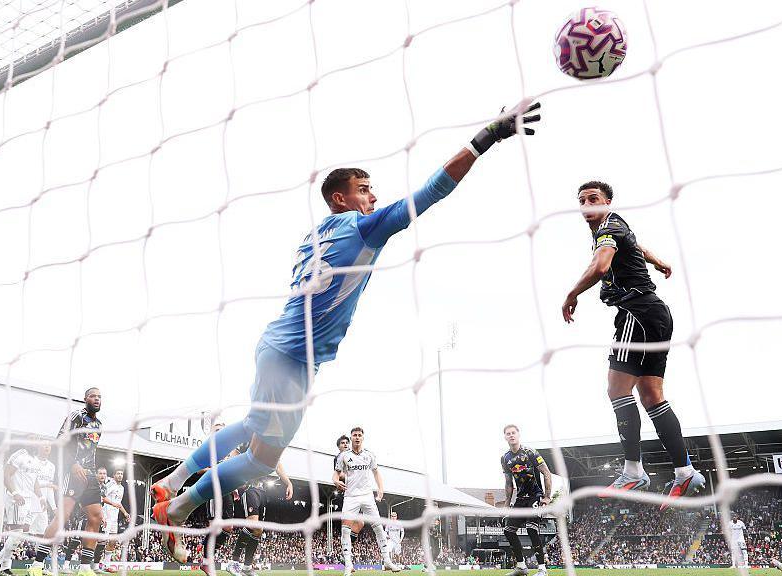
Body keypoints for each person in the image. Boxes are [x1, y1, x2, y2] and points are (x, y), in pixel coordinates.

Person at [149, 101, 543, 561]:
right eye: (364, 189)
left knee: (254, 428)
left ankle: (175, 484)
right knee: (261, 460)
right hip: (294, 356)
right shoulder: (363, 229)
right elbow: (433, 190)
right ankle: (180, 504)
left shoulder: (315, 235)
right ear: (341, 198)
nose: (373, 197)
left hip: (277, 346)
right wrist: (487, 137)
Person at [562, 181, 703, 508]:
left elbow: (601, 266)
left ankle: (633, 470)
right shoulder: (618, 226)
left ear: (607, 201)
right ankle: (685, 471)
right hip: (657, 314)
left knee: (616, 389)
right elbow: (636, 247)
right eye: (581, 200)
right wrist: (656, 261)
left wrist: (571, 294)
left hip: (636, 312)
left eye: (593, 198)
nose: (587, 205)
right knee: (652, 396)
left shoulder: (607, 228)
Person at [29, 388, 104, 576]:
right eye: (93, 396)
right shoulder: (76, 416)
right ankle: (37, 565)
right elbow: (60, 441)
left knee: (96, 517)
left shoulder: (99, 424)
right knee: (63, 516)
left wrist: (92, 473)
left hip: (90, 474)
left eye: (99, 397)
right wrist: (72, 465)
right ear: (85, 399)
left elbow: (90, 451)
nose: (97, 399)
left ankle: (85, 568)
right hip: (73, 472)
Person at [336, 427, 401, 575]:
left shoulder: (369, 455)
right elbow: (336, 475)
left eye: (359, 435)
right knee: (345, 530)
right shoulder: (344, 456)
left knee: (378, 527)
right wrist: (335, 482)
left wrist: (380, 488)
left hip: (367, 496)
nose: (357, 437)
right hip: (351, 497)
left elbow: (376, 473)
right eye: (354, 435)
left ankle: (387, 561)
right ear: (351, 438)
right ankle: (348, 565)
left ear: (363, 438)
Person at [0, 441, 55, 576]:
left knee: (21, 534)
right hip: (16, 499)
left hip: (29, 500)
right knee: (17, 533)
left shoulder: (35, 460)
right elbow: (6, 474)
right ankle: (3, 567)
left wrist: (41, 498)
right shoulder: (19, 455)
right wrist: (15, 493)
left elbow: (35, 481)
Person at [500, 424, 551, 576]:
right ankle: (521, 567)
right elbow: (508, 482)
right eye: (508, 433)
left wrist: (547, 497)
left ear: (518, 434)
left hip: (535, 496)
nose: (511, 435)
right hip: (520, 499)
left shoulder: (530, 452)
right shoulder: (505, 458)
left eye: (513, 432)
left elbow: (546, 473)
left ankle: (542, 569)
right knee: (508, 531)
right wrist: (507, 503)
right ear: (505, 437)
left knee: (531, 529)